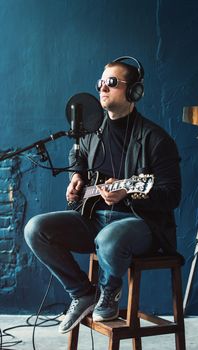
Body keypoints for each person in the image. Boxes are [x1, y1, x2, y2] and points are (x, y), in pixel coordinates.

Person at [24, 56, 181, 334]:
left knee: (108, 238)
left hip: (140, 223)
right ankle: (83, 293)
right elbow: (77, 152)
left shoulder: (157, 139)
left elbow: (171, 195)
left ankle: (109, 292)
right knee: (36, 229)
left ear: (134, 91)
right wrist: (77, 176)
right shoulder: (92, 132)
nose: (102, 88)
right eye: (100, 83)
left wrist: (129, 195)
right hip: (93, 218)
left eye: (111, 82)